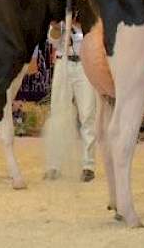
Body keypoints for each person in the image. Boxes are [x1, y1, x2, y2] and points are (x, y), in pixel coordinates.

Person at [43, 19, 97, 182]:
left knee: (87, 114)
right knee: (58, 113)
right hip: (63, 62)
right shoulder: (61, 12)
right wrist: (56, 26)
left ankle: (88, 166)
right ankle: (54, 165)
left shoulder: (87, 12)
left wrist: (78, 26)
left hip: (84, 64)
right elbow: (53, 40)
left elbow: (93, 37)